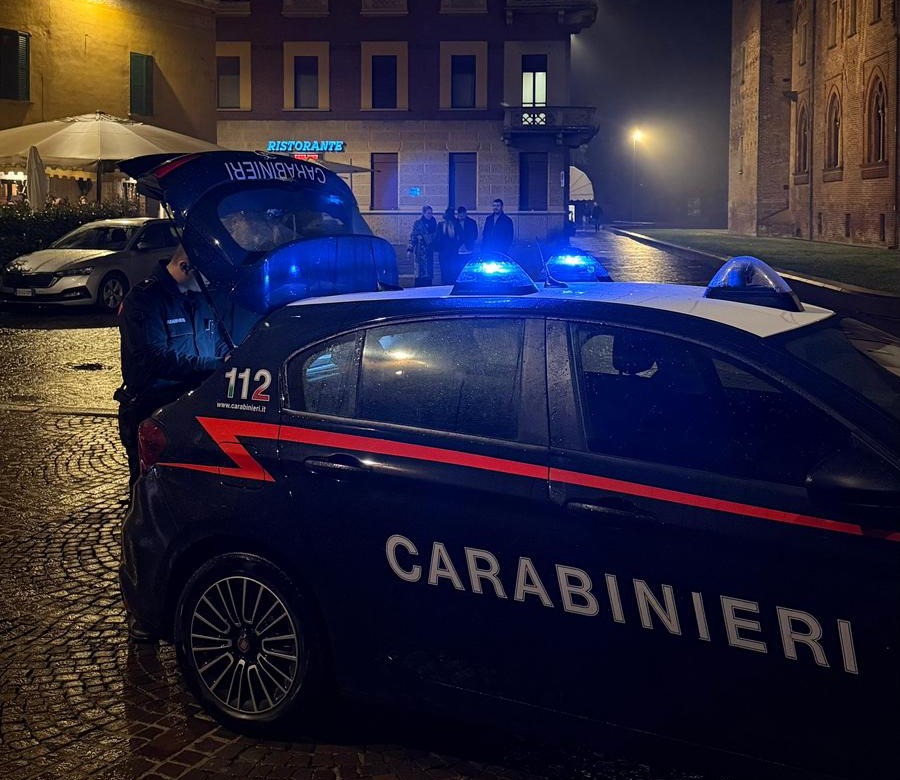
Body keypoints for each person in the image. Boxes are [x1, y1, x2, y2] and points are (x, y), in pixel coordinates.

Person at [116, 243, 230, 491]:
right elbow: (153, 357)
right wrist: (214, 366)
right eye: (207, 277)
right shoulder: (144, 300)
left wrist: (232, 359)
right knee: (151, 489)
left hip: (193, 409)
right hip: (154, 409)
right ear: (184, 266)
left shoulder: (198, 297)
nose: (210, 284)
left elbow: (217, 341)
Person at [407, 205, 438, 286]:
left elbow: (436, 236)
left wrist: (424, 237)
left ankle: (428, 287)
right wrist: (410, 249)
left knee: (429, 272)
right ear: (423, 213)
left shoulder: (434, 223)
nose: (430, 215)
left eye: (431, 213)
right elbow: (413, 236)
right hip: (420, 252)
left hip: (429, 251)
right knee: (419, 272)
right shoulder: (418, 224)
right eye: (428, 213)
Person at [436, 207, 463, 284]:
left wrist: (457, 246)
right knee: (444, 272)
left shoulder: (456, 225)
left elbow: (461, 237)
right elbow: (437, 238)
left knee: (452, 271)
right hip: (443, 253)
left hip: (453, 252)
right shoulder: (441, 225)